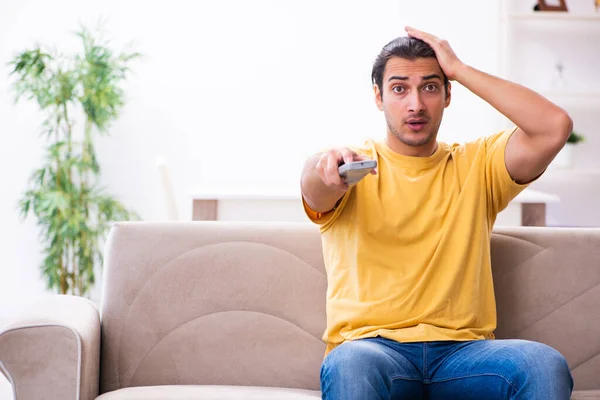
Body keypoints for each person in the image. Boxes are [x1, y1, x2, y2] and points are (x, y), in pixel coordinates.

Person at [299, 26, 574, 400]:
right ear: (379, 97)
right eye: (399, 89)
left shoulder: (478, 165)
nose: (415, 104)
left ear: (447, 95)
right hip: (374, 352)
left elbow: (554, 128)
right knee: (350, 364)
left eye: (429, 87)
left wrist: (458, 68)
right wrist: (324, 165)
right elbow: (315, 186)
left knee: (542, 364)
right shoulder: (355, 167)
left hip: (465, 355)